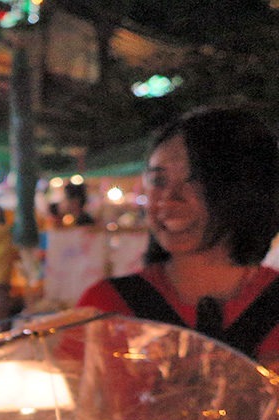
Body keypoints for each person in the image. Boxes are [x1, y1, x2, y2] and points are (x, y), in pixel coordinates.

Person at [77, 106, 279, 369]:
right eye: (158, 181)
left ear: (245, 188)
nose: (170, 197)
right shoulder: (107, 308)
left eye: (196, 179)